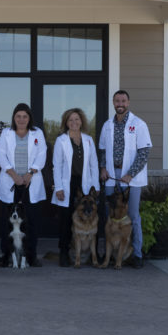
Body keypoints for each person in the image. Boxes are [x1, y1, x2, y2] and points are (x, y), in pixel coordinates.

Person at [98, 90, 152, 269]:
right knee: (109, 216)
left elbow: (144, 153)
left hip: (131, 178)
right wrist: (103, 168)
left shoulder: (138, 124)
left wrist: (131, 174)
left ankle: (136, 254)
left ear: (128, 102)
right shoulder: (107, 125)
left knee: (133, 215)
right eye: (117, 100)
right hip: (112, 177)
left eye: (123, 100)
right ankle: (110, 254)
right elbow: (103, 150)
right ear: (113, 103)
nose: (119, 103)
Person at [0, 103, 47, 267]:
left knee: (31, 222)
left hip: (31, 182)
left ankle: (31, 256)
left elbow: (41, 155)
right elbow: (1, 155)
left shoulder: (37, 133)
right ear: (14, 118)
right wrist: (14, 175)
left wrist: (30, 174)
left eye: (25, 116)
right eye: (18, 116)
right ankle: (6, 256)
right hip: (11, 181)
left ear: (29, 118)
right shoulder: (6, 133)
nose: (22, 119)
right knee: (7, 223)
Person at [52, 108, 100, 267]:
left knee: (91, 216)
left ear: (81, 121)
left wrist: (96, 185)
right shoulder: (61, 140)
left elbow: (94, 164)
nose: (74, 122)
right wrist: (58, 187)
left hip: (85, 183)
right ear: (66, 123)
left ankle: (94, 253)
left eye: (77, 119)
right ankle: (64, 253)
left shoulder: (88, 140)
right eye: (70, 120)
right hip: (67, 183)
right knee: (65, 219)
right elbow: (56, 166)